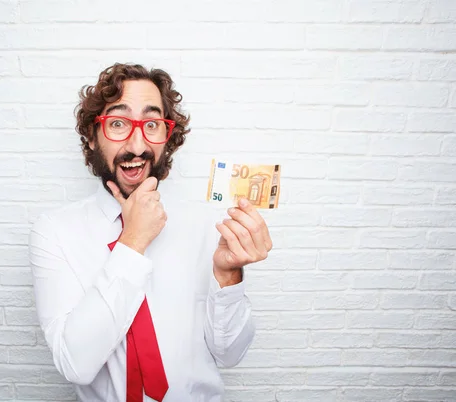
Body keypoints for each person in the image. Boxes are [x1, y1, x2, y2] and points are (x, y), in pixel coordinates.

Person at [29, 63, 273, 402]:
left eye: (152, 124)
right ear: (91, 135)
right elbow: (75, 365)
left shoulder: (208, 225)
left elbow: (230, 355)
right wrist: (133, 242)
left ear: (167, 136)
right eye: (118, 123)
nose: (138, 144)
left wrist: (228, 274)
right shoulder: (55, 232)